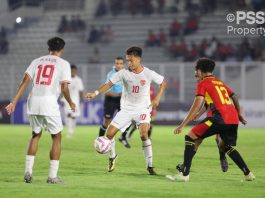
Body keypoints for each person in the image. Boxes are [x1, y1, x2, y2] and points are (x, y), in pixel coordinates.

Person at [166, 58, 255, 182]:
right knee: (224, 146)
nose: (195, 73)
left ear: (201, 71)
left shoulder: (203, 83)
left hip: (218, 118)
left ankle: (184, 175)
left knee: (190, 136)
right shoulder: (219, 82)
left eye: (196, 70)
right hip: (232, 119)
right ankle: (248, 174)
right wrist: (239, 114)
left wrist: (183, 124)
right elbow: (233, 96)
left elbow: (197, 104)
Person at [5, 37, 76, 184]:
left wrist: (14, 102)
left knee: (35, 135)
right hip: (49, 102)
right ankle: (52, 176)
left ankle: (28, 172)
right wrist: (70, 102)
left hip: (33, 101)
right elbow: (64, 88)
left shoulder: (36, 61)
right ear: (62, 49)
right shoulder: (64, 64)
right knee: (56, 137)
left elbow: (24, 82)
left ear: (48, 48)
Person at [87, 46, 166, 175]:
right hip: (126, 110)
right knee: (109, 135)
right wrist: (95, 93)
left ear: (138, 59)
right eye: (127, 60)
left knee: (144, 134)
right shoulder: (123, 73)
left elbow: (163, 83)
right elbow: (109, 84)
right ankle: (112, 157)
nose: (128, 63)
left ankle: (150, 166)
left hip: (142, 110)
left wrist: (157, 97)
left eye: (131, 60)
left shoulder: (148, 73)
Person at [176, 73, 228, 173]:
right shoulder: (206, 87)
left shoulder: (210, 85)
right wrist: (199, 114)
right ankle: (185, 164)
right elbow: (206, 104)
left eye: (197, 78)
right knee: (197, 139)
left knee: (218, 139)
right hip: (211, 117)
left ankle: (222, 157)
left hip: (220, 117)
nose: (197, 80)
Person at [98, 57, 124, 137]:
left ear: (123, 65)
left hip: (121, 100)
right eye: (117, 63)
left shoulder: (126, 74)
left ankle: (123, 137)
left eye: (120, 63)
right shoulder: (111, 74)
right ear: (114, 64)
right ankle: (100, 140)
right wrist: (119, 94)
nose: (119, 65)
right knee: (107, 122)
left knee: (124, 120)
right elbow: (106, 92)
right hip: (110, 100)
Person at [62, 64, 84, 138]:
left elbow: (81, 91)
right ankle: (69, 131)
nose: (73, 72)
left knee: (74, 116)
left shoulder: (78, 80)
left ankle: (71, 130)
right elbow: (62, 89)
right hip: (67, 99)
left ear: (76, 71)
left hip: (76, 100)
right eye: (71, 71)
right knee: (69, 114)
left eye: (74, 71)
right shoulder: (66, 80)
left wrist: (83, 101)